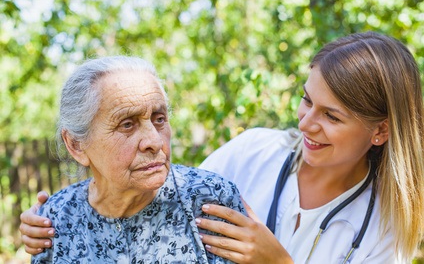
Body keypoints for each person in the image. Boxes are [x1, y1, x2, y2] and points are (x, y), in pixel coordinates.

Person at [20, 32, 424, 263]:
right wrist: (59, 212)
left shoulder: (390, 224)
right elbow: (165, 190)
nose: (305, 123)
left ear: (380, 132)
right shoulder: (253, 152)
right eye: (306, 100)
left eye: (332, 117)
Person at [26, 55, 246, 263]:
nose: (154, 141)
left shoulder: (210, 199)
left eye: (159, 119)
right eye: (127, 125)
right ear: (76, 145)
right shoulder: (54, 220)